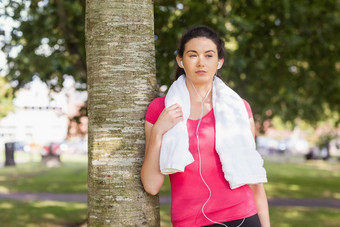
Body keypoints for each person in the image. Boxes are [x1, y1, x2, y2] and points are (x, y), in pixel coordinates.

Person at [141, 26, 270, 227]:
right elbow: (151, 186)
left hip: (244, 216)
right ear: (180, 61)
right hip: (190, 221)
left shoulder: (238, 108)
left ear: (219, 62)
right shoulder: (161, 109)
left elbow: (254, 181)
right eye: (193, 55)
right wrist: (158, 131)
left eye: (209, 55)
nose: (201, 62)